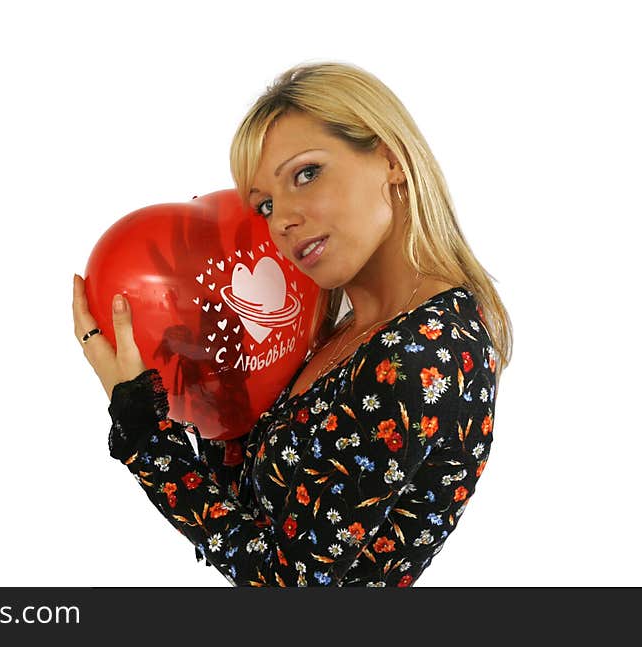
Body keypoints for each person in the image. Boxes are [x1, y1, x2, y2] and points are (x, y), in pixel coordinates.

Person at [72, 61, 512, 586]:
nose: (281, 220)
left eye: (307, 174)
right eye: (264, 204)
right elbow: (251, 514)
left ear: (391, 159)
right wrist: (205, 366)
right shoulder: (342, 329)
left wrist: (146, 434)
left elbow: (290, 584)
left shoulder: (421, 354)